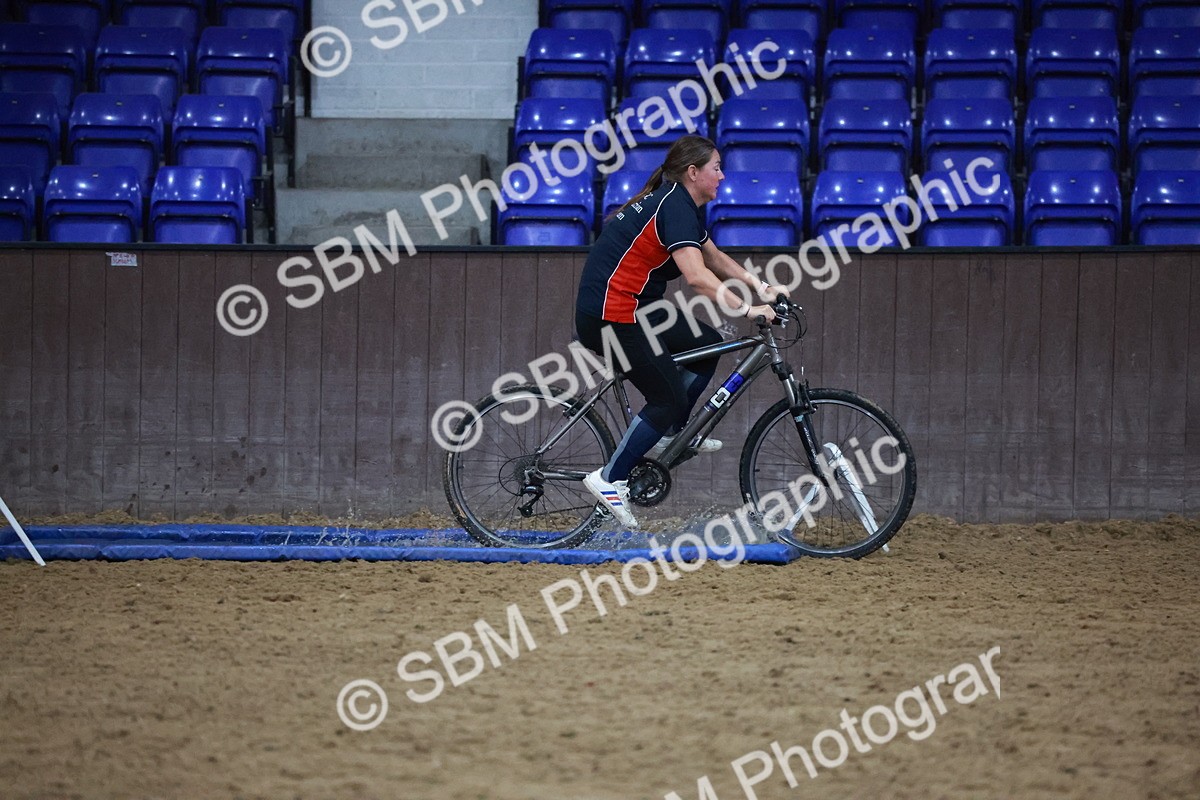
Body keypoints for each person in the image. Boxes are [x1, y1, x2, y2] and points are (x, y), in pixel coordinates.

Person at [575, 134, 789, 528]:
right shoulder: (673, 206)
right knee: (667, 396)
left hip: (638, 308)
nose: (723, 176)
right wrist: (748, 309)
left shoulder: (679, 204)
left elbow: (715, 257)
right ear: (694, 173)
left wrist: (762, 287)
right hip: (611, 315)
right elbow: (697, 278)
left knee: (708, 345)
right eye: (717, 168)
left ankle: (668, 434)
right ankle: (609, 478)